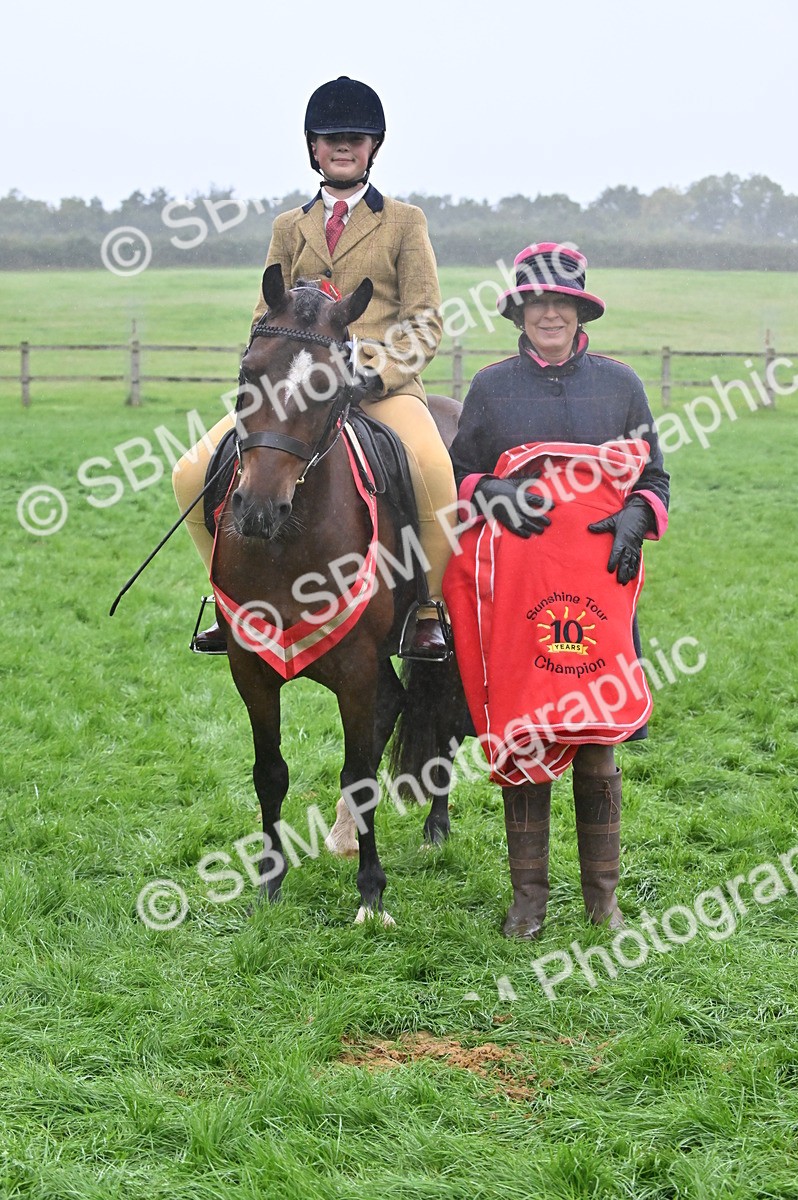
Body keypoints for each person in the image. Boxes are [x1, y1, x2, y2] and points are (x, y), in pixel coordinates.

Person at [172, 75, 457, 659]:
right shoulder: (288, 227)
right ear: (313, 148)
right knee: (187, 473)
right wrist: (268, 371)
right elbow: (264, 316)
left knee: (434, 470)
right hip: (294, 391)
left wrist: (373, 372)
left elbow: (426, 320)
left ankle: (427, 610)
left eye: (354, 138)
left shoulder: (406, 222)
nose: (343, 147)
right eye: (331, 139)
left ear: (373, 147)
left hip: (379, 386)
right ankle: (225, 605)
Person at [445, 242, 670, 939]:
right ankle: (530, 901)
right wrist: (495, 490)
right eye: (536, 301)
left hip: (598, 590)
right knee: (528, 738)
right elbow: (458, 479)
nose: (549, 312)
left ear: (578, 310)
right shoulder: (491, 387)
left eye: (561, 301)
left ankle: (604, 901)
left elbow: (654, 480)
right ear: (520, 310)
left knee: (598, 738)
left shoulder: (621, 386)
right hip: (519, 597)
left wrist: (637, 514)